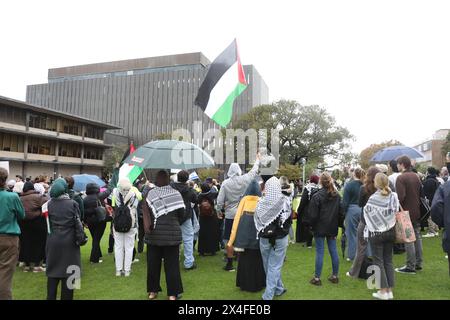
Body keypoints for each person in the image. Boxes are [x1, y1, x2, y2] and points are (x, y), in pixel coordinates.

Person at [142, 170, 184, 300]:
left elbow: (146, 213)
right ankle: (172, 294)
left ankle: (152, 292)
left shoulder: (150, 194)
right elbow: (181, 215)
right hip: (172, 234)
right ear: (168, 180)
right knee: (172, 266)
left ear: (156, 180)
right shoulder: (176, 193)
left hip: (154, 235)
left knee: (153, 265)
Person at [217, 153, 261, 271]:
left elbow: (220, 201)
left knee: (228, 238)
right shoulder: (245, 179)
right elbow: (253, 172)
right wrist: (257, 160)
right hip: (243, 213)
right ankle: (241, 260)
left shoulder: (225, 183)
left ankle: (230, 263)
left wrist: (219, 211)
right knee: (242, 236)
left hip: (231, 214)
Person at [254, 177, 291, 300]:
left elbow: (258, 219)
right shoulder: (285, 201)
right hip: (280, 238)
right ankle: (276, 289)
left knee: (269, 265)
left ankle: (269, 294)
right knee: (273, 266)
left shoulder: (261, 203)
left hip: (265, 237)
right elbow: (288, 220)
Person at [45, 178, 82, 300]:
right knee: (71, 271)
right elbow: (78, 221)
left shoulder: (48, 204)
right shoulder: (72, 203)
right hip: (70, 241)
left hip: (53, 240)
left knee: (52, 272)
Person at [364, 173, 399, 300]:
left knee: (378, 261)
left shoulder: (373, 198)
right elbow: (395, 211)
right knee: (388, 260)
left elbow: (367, 214)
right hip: (391, 230)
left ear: (376, 183)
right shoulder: (393, 196)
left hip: (377, 233)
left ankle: (383, 292)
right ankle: (389, 291)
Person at [227, 179, 265, 292]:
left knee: (244, 260)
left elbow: (237, 219)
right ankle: (258, 283)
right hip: (258, 236)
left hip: (243, 237)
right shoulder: (261, 200)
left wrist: (231, 240)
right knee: (258, 259)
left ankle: (244, 284)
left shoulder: (244, 200)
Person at [308, 172, 344, 286]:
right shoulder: (323, 196)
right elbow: (341, 213)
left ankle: (318, 278)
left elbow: (312, 216)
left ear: (320, 182)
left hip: (322, 228)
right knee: (331, 251)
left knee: (321, 252)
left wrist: (311, 226)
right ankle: (334, 276)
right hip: (328, 227)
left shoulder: (335, 195)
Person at [347, 166, 381, 278]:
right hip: (378, 221)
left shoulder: (364, 188)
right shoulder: (383, 189)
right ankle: (379, 271)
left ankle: (354, 272)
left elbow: (360, 203)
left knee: (361, 248)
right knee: (377, 248)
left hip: (366, 220)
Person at [395, 155, 423, 274]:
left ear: (402, 164)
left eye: (398, 164)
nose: (397, 166)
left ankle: (410, 266)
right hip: (416, 209)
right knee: (417, 236)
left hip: (406, 211)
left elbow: (400, 197)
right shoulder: (416, 176)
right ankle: (418, 263)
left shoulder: (401, 178)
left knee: (408, 238)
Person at [0, 168, 25, 300]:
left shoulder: (11, 196)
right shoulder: (12, 197)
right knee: (5, 275)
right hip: (8, 238)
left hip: (7, 236)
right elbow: (22, 215)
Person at [111, 178, 142, 276]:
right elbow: (136, 206)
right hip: (131, 223)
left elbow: (113, 204)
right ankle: (127, 270)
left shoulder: (115, 192)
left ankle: (118, 270)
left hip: (118, 222)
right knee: (129, 247)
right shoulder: (134, 194)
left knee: (118, 247)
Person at [171, 170, 198, 270]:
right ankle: (189, 262)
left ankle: (175, 259)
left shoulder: (172, 188)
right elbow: (195, 199)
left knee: (175, 239)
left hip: (173, 216)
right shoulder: (189, 190)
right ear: (187, 179)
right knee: (188, 239)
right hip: (185, 216)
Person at [19, 181, 48, 272]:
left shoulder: (20, 198)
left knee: (25, 243)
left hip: (23, 224)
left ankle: (26, 266)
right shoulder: (38, 197)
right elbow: (46, 203)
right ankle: (36, 266)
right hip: (37, 223)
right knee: (38, 243)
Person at [83, 183, 111, 264]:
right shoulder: (99, 196)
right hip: (100, 221)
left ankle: (98, 254)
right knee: (96, 239)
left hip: (90, 221)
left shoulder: (84, 199)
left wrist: (85, 221)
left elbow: (83, 212)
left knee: (95, 238)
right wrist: (109, 184)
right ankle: (94, 259)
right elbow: (108, 191)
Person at [343, 168, 365, 261]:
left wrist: (343, 214)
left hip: (352, 209)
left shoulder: (349, 185)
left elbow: (345, 201)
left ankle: (352, 255)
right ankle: (365, 254)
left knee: (351, 233)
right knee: (363, 233)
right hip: (363, 209)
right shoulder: (365, 185)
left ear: (354, 174)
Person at [430, 179, 450, 276]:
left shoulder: (445, 187)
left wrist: (444, 223)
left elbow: (435, 208)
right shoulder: (444, 187)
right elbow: (435, 207)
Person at [296, 175, 320, 247]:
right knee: (313, 225)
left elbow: (303, 200)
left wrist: (299, 210)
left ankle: (307, 241)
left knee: (307, 226)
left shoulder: (308, 188)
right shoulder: (318, 188)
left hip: (307, 210)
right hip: (316, 209)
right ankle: (311, 240)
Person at [197, 183, 220, 256]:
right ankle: (213, 250)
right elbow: (219, 192)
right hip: (212, 216)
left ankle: (202, 251)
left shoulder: (199, 196)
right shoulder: (212, 194)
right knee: (212, 233)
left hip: (203, 217)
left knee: (203, 233)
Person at [422, 167, 441, 238]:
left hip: (430, 200)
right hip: (436, 200)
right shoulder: (436, 180)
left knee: (430, 216)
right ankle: (435, 230)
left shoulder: (429, 180)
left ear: (428, 172)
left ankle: (431, 231)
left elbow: (425, 191)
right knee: (434, 215)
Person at [279, 177, 295, 244]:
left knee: (282, 223)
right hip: (289, 207)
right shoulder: (291, 189)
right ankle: (292, 239)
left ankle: (285, 239)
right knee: (289, 224)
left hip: (282, 208)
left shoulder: (279, 190)